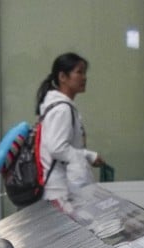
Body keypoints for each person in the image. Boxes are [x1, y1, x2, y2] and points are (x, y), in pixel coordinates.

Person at [35, 52, 105, 202]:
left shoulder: (59, 106)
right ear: (62, 77)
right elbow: (57, 148)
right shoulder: (62, 109)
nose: (84, 77)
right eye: (79, 72)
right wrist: (88, 155)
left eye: (84, 72)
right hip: (62, 191)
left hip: (62, 189)